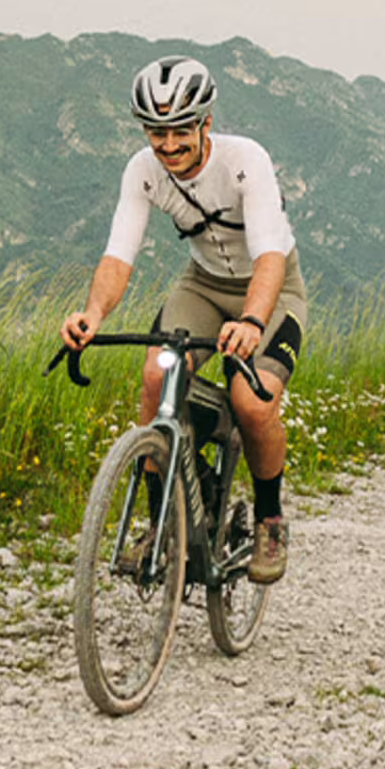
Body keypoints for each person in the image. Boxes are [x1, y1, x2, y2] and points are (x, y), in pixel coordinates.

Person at [59, 55, 307, 584]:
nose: (167, 145)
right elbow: (118, 254)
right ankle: (160, 527)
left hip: (273, 289)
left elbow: (268, 256)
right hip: (202, 285)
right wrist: (93, 314)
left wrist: (253, 324)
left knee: (251, 400)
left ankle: (269, 519)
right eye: (156, 133)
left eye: (179, 131)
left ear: (205, 124)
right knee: (157, 375)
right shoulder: (142, 172)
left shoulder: (246, 161)